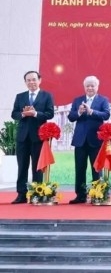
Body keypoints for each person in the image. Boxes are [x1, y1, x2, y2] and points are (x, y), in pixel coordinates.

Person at [10, 71, 55, 204]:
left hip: (39, 137)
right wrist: (23, 114)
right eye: (28, 80)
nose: (31, 82)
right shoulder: (20, 96)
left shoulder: (47, 96)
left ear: (39, 80)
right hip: (22, 137)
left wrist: (35, 113)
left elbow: (50, 114)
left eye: (34, 80)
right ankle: (21, 194)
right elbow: (14, 114)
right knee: (22, 166)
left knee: (37, 167)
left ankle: (37, 193)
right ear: (25, 82)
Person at [67, 75, 110, 204]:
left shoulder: (103, 100)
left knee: (96, 168)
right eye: (87, 86)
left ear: (97, 87)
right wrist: (79, 112)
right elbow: (71, 117)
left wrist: (92, 112)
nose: (90, 88)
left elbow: (106, 114)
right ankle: (80, 195)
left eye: (92, 85)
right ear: (84, 87)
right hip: (80, 140)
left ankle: (98, 194)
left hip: (96, 140)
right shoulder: (77, 100)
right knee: (80, 168)